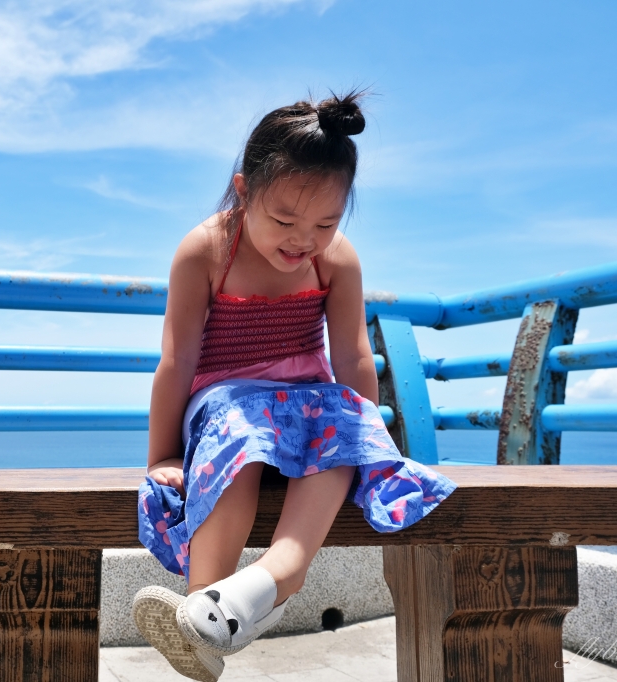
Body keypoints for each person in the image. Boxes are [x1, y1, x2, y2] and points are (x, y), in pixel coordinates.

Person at [131, 91, 457, 682]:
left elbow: (355, 356)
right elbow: (177, 360)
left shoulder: (336, 261)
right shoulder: (205, 251)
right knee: (241, 452)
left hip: (309, 403)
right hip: (226, 402)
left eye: (326, 222)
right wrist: (163, 455)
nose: (303, 239)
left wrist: (373, 444)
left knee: (345, 430)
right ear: (245, 189)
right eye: (284, 220)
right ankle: (205, 599)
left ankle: (267, 581)